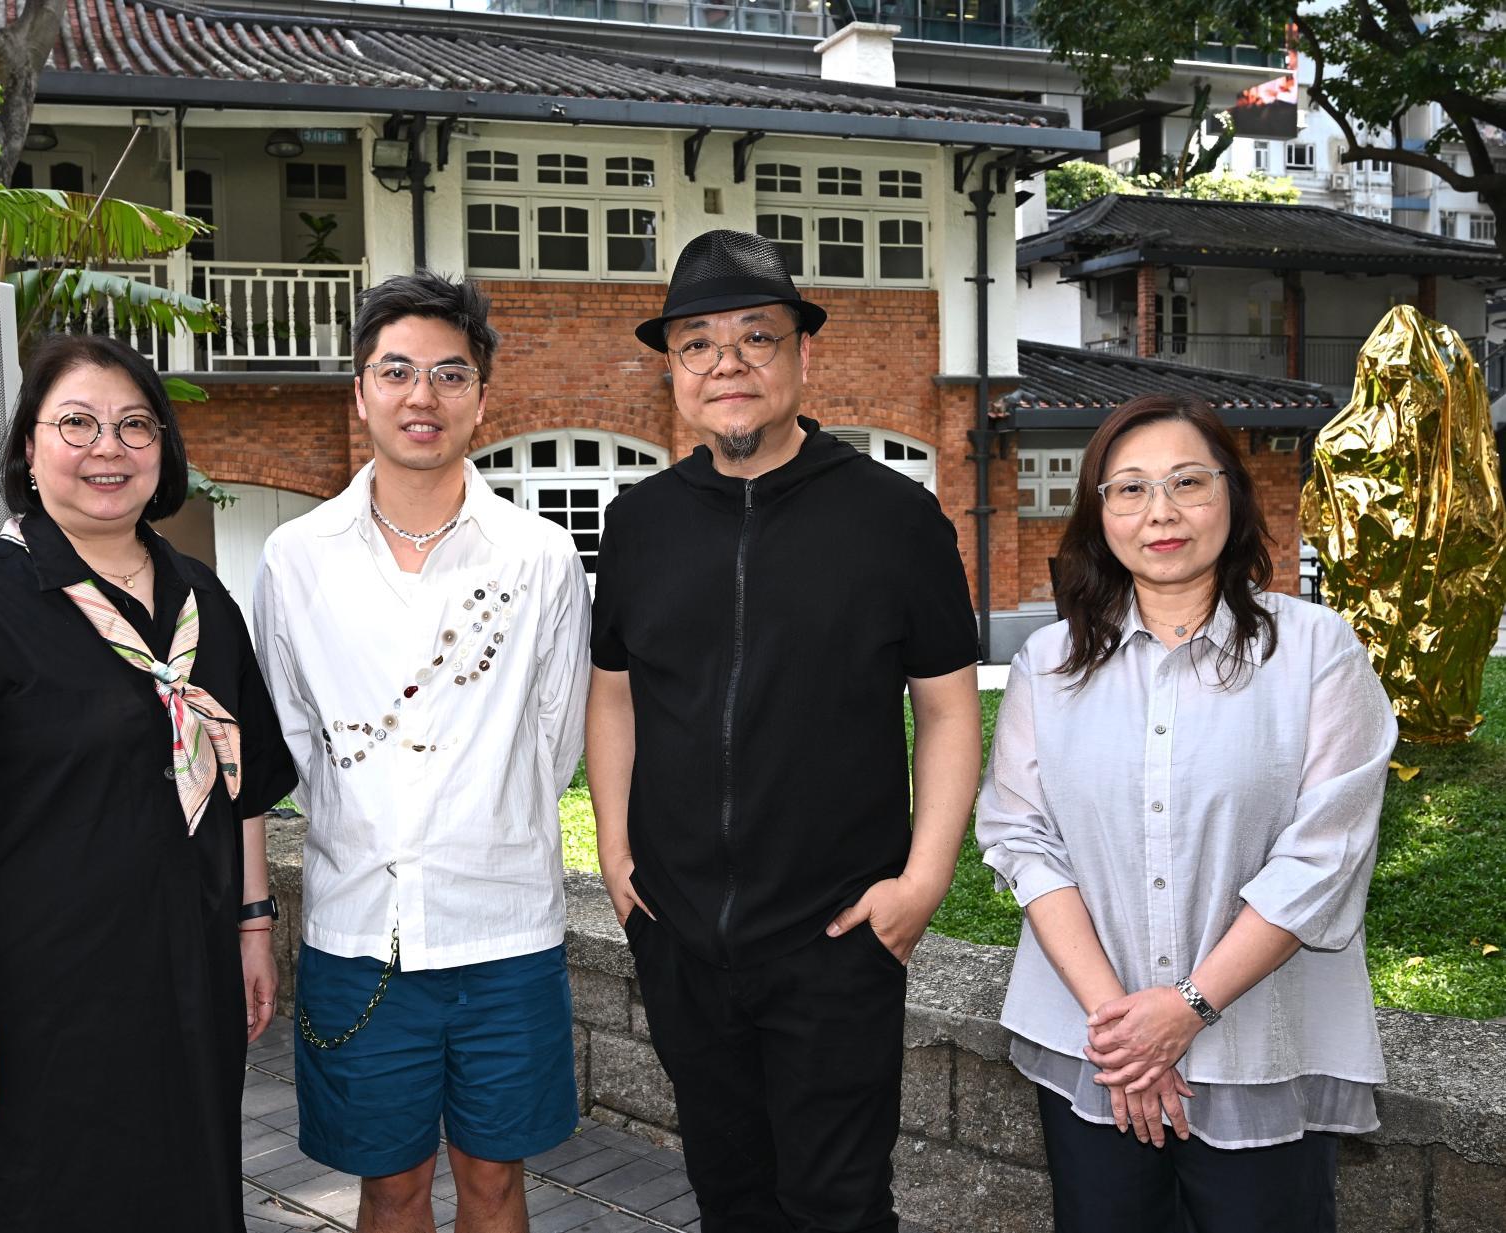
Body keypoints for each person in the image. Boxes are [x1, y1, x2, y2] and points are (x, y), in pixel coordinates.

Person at [585, 229, 982, 1233]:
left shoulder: (893, 518)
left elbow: (945, 706)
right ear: (672, 370)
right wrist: (617, 848)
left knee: (837, 1206)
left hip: (835, 935)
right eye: (697, 344)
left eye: (753, 338)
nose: (726, 363)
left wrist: (923, 879)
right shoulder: (638, 522)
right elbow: (614, 690)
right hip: (678, 934)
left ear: (802, 356)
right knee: (730, 1196)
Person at [0, 333, 297, 1230]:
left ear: (164, 451)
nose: (109, 447)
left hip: (183, 995)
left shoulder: (202, 600)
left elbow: (241, 777)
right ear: (28, 447)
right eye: (78, 423)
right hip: (34, 1008)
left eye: (135, 425)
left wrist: (254, 924)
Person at [975, 394, 1395, 1232]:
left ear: (1232, 497)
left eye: (1186, 483)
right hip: (1091, 1045)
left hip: (1258, 1042)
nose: (1158, 511)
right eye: (1127, 489)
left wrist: (1184, 1009)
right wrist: (1124, 1036)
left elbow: (1325, 851)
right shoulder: (1047, 663)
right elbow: (1022, 838)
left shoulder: (1315, 650)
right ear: (1099, 514)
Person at [253, 270, 590, 1232]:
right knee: (390, 1187)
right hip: (358, 935)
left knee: (495, 1181)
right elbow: (291, 736)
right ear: (359, 391)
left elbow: (554, 734)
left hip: (506, 933)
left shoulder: (539, 557)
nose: (421, 396)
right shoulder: (297, 556)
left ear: (482, 398)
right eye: (395, 370)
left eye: (449, 374)